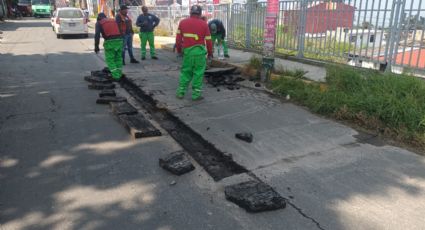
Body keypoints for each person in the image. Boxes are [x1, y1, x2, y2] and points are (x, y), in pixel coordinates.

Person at [175, 5, 213, 101]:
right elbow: (208, 41)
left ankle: (180, 92)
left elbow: (178, 40)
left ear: (190, 12)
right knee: (198, 74)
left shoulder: (182, 23)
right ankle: (196, 95)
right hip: (200, 54)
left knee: (185, 73)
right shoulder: (204, 24)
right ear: (200, 14)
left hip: (188, 53)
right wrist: (210, 53)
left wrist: (179, 51)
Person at [94, 13, 125, 81]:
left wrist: (96, 46)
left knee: (110, 59)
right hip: (119, 41)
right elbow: (120, 30)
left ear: (99, 18)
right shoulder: (113, 20)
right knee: (118, 58)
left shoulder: (99, 23)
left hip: (110, 42)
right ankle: (119, 73)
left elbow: (97, 35)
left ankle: (116, 76)